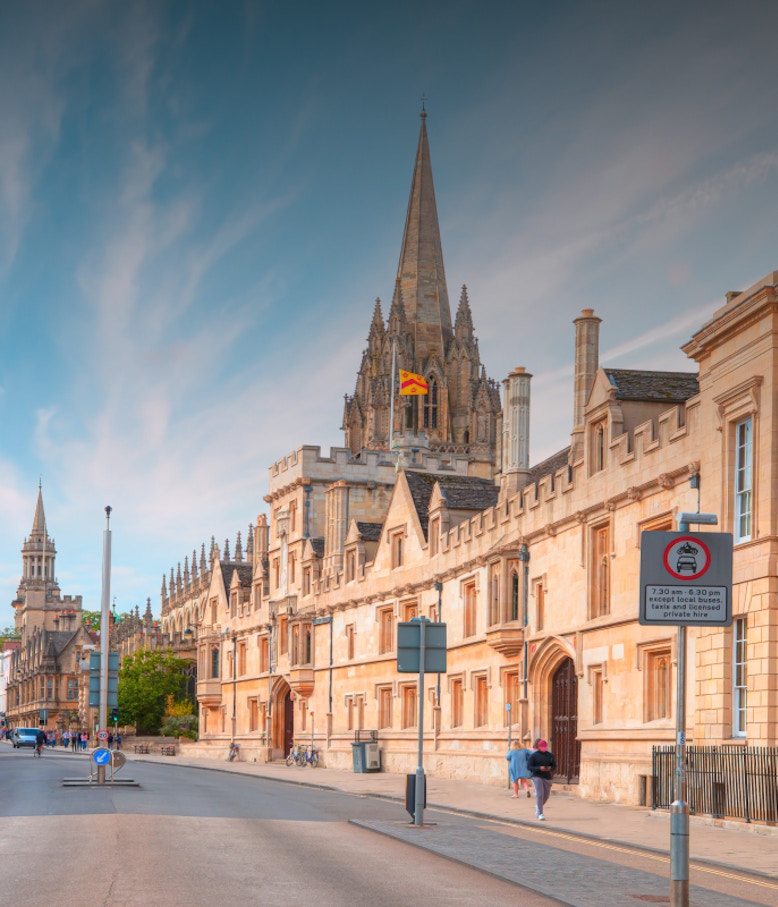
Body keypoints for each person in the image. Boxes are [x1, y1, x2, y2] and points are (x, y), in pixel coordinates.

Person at [527, 738, 556, 820]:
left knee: (546, 796)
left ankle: (538, 806)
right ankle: (540, 813)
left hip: (547, 776)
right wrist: (539, 768)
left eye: (545, 747)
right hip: (537, 776)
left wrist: (549, 768)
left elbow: (554, 766)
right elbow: (529, 767)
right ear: (539, 747)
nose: (543, 748)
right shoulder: (534, 756)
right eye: (542, 747)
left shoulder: (550, 755)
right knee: (540, 794)